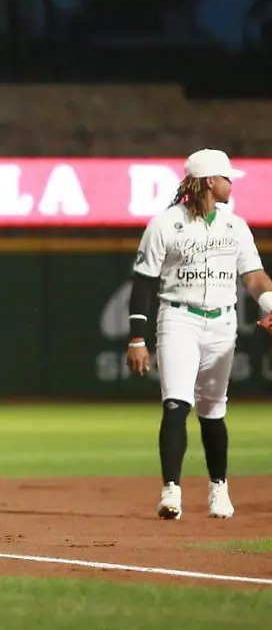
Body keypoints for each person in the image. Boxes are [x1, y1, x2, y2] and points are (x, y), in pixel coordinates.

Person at [126, 148, 272, 521]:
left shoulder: (234, 225)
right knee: (176, 403)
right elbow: (143, 282)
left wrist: (270, 305)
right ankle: (171, 490)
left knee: (213, 410)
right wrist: (137, 337)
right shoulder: (164, 223)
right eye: (226, 178)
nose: (230, 184)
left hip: (222, 323)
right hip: (179, 319)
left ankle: (218, 488)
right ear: (209, 181)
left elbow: (254, 276)